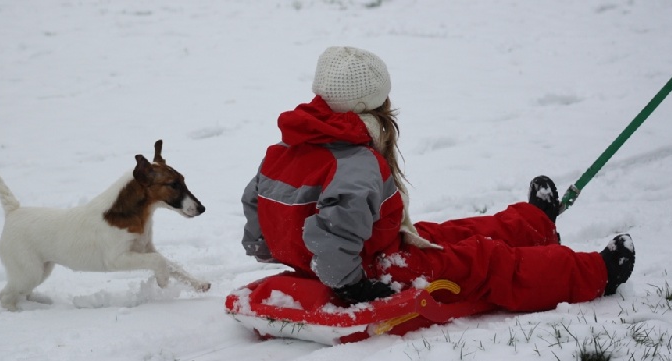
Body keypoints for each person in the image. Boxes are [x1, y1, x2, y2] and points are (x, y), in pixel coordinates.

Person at [241, 46, 635, 312]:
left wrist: (270, 248)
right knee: (484, 262)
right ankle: (594, 273)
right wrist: (351, 287)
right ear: (371, 105)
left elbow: (257, 206)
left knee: (448, 232)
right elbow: (333, 235)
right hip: (369, 270)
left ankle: (534, 223)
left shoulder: (285, 147)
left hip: (364, 252)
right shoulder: (355, 162)